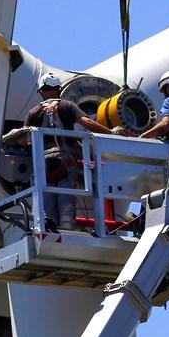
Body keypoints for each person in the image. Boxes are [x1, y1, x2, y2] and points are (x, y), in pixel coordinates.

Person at [24, 72, 112, 231]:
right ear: (58, 89)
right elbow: (86, 122)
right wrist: (110, 133)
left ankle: (50, 231)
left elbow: (23, 139)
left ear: (41, 92)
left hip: (43, 164)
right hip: (65, 161)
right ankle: (66, 229)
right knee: (66, 203)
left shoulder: (33, 112)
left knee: (47, 203)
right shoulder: (67, 106)